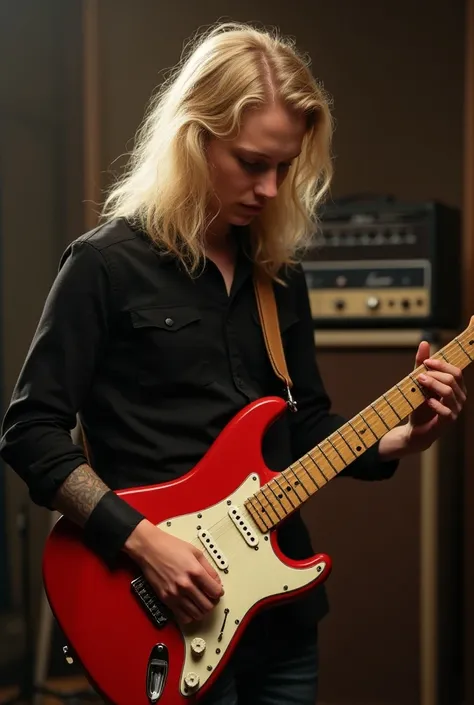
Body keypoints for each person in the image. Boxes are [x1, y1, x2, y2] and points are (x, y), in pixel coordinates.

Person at [0, 21, 468, 705]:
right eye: (252, 163)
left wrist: (403, 434)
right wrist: (141, 542)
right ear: (195, 139)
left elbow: (303, 422)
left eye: (285, 167)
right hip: (159, 610)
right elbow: (30, 433)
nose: (272, 188)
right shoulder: (104, 266)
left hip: (279, 623)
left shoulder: (277, 276)